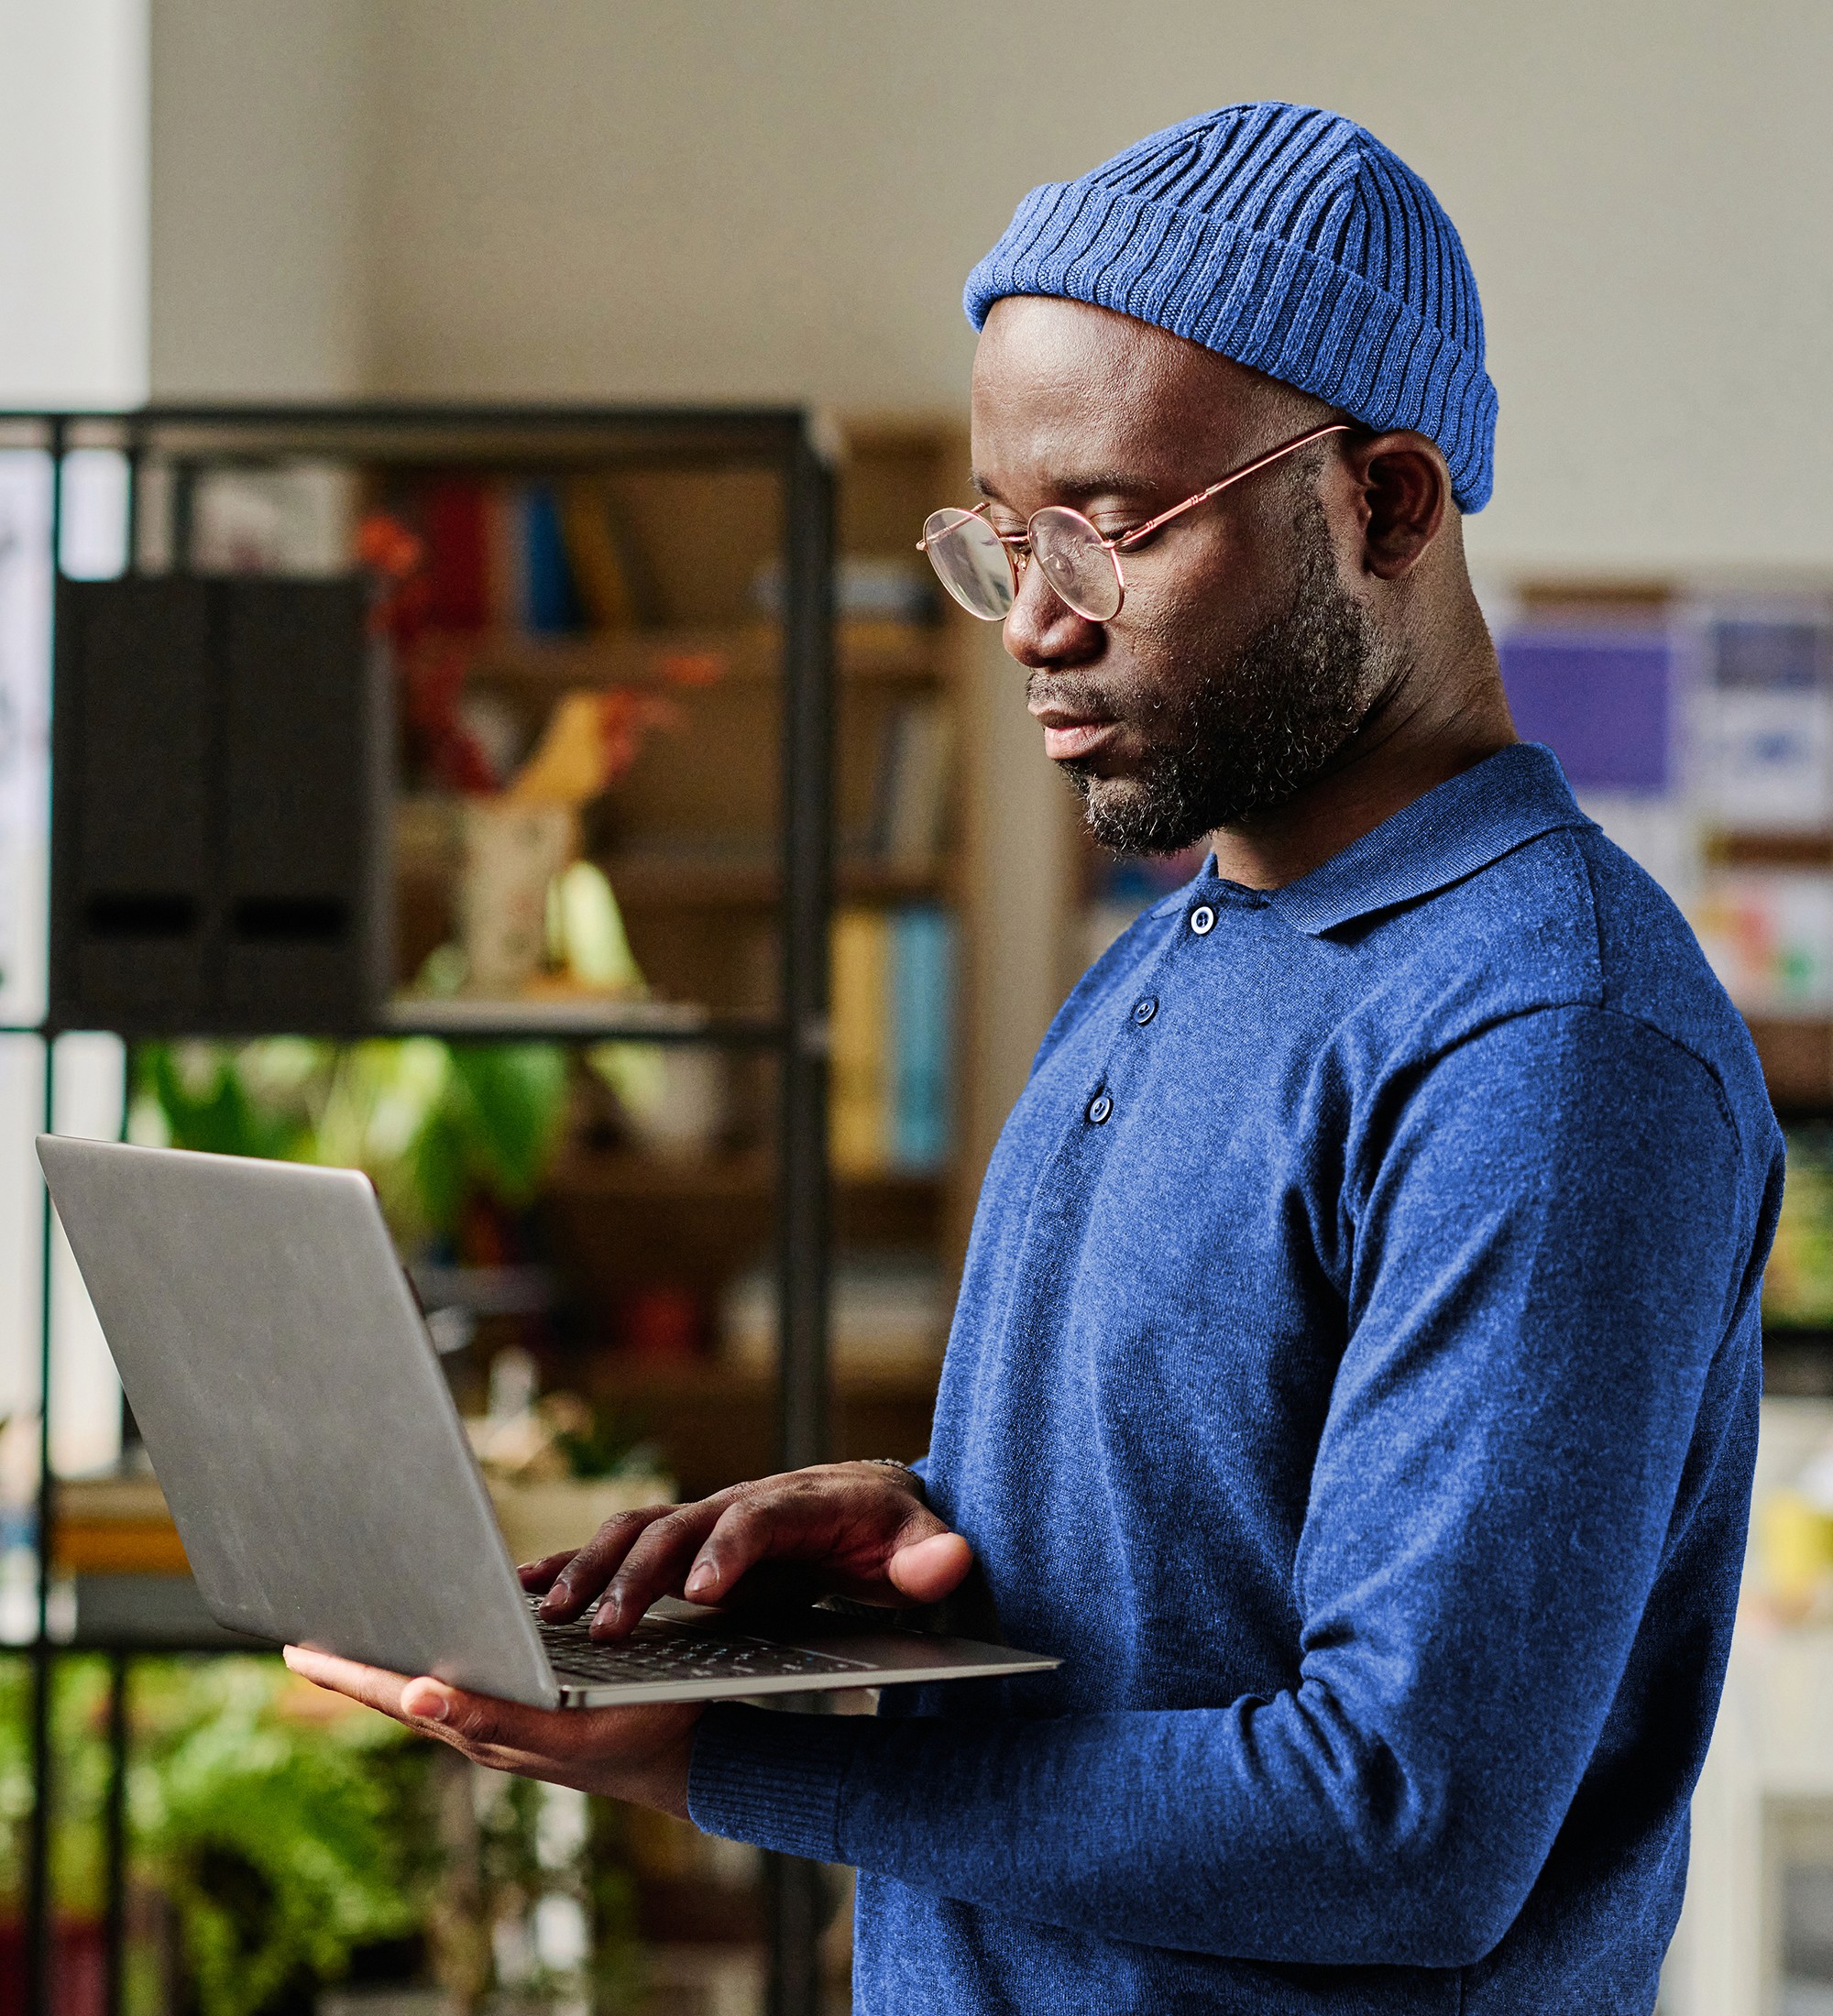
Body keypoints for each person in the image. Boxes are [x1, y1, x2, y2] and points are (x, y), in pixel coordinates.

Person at [290, 103, 1783, 2013]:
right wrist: (935, 1523)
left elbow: (1401, 1820)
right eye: (999, 542)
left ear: (1387, 505)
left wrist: (733, 1755)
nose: (1036, 624)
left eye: (1108, 527)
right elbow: (1218, 1533)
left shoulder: (1550, 1042)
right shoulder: (1191, 938)